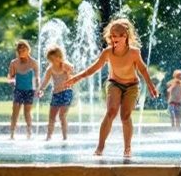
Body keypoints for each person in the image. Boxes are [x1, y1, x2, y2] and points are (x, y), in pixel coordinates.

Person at [60, 18, 158, 157]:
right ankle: (100, 147)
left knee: (125, 116)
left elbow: (143, 69)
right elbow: (93, 68)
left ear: (125, 36)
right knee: (111, 112)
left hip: (132, 86)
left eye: (116, 36)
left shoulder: (134, 52)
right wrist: (76, 78)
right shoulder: (107, 52)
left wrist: (151, 86)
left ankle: (127, 148)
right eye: (111, 36)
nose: (113, 39)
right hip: (114, 83)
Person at [38, 45, 75, 141]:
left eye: (58, 57)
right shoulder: (50, 69)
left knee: (62, 115)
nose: (56, 59)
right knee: (51, 117)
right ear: (50, 59)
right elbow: (45, 81)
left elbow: (72, 70)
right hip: (56, 94)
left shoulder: (64, 65)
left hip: (67, 92)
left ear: (61, 56)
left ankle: (65, 137)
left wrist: (69, 70)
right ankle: (48, 136)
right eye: (53, 58)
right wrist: (41, 89)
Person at [8, 39, 40, 139]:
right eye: (19, 50)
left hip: (29, 90)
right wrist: (12, 82)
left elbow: (37, 78)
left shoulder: (34, 62)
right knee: (15, 112)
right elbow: (11, 77)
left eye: (23, 49)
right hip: (18, 90)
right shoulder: (14, 63)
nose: (21, 52)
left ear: (28, 49)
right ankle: (12, 134)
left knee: (27, 112)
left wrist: (38, 89)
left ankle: (29, 133)